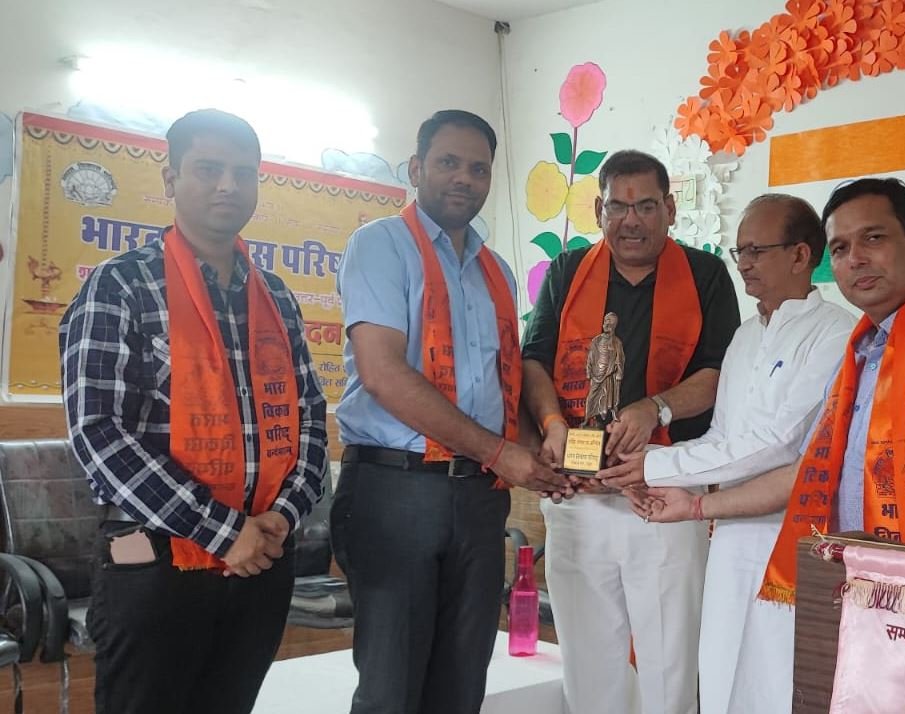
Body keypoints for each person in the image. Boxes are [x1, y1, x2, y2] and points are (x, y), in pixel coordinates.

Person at [632, 177, 905, 609]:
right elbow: (807, 472)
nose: (856, 259)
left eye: (873, 238)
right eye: (840, 248)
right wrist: (694, 505)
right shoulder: (865, 352)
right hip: (875, 597)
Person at [60, 109, 327, 714]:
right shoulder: (120, 284)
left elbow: (310, 417)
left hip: (262, 559)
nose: (228, 185)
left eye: (243, 173)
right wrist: (225, 532)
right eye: (208, 169)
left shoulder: (276, 297)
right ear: (171, 178)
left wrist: (279, 519)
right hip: (157, 562)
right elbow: (98, 432)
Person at [333, 109, 564, 714]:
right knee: (391, 688)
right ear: (416, 168)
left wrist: (541, 450)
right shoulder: (381, 245)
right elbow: (383, 374)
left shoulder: (496, 271)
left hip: (479, 498)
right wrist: (500, 453)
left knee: (461, 684)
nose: (464, 178)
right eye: (448, 162)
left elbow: (500, 386)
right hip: (397, 490)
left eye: (478, 168)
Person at [595, 194, 855, 714]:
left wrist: (655, 464)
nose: (744, 264)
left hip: (792, 537)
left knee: (778, 682)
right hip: (729, 532)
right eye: (739, 252)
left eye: (757, 250)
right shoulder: (745, 337)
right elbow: (721, 438)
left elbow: (779, 443)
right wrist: (650, 474)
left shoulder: (837, 332)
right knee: (720, 675)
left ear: (801, 255)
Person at [521, 149, 741, 714]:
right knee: (588, 663)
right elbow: (534, 359)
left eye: (645, 206)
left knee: (670, 662)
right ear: (599, 211)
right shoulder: (569, 272)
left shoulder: (706, 275)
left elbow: (720, 371)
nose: (631, 220)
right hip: (579, 495)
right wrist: (552, 425)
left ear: (669, 209)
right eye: (617, 207)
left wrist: (657, 408)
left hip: (665, 495)